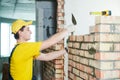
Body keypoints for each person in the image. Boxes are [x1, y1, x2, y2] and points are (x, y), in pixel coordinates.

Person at [9, 19, 76, 80]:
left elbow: (46, 57)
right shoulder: (23, 48)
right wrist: (67, 30)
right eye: (28, 29)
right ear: (20, 32)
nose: (31, 32)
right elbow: (49, 42)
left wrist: (65, 50)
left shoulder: (21, 49)